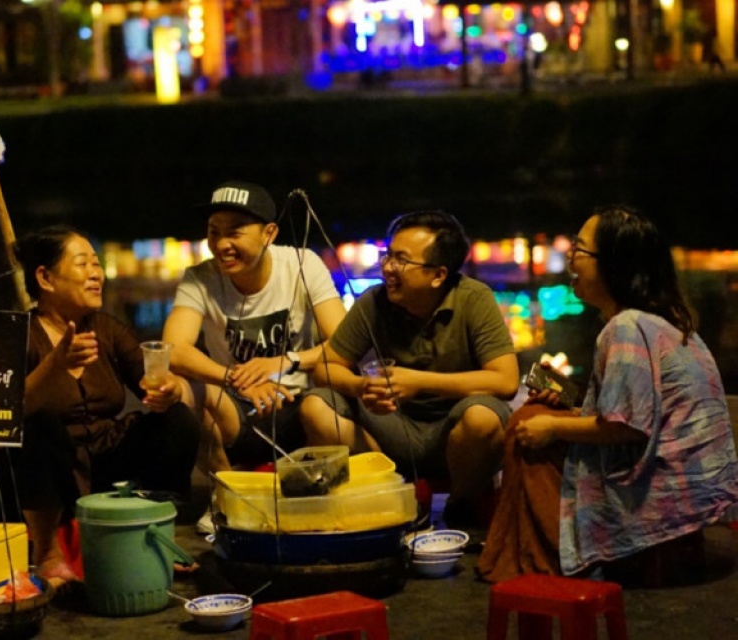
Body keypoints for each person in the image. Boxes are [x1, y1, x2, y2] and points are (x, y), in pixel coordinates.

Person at [476, 205, 738, 584]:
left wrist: (553, 427)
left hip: (660, 493)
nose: (570, 258)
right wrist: (570, 401)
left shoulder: (627, 327)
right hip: (692, 490)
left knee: (527, 424)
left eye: (580, 250)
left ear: (614, 264)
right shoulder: (667, 323)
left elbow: (626, 427)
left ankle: (549, 561)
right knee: (539, 415)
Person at [0, 225, 199, 589]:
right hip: (44, 473)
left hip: (102, 460)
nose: (96, 274)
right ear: (45, 278)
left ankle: (159, 533)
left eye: (96, 264)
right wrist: (56, 364)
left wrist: (171, 390)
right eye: (83, 264)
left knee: (176, 421)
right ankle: (48, 554)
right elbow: (1, 412)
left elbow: (161, 379)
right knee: (38, 423)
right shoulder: (17, 334)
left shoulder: (106, 329)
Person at [304, 210, 520, 528]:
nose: (388, 267)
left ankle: (462, 507)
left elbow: (505, 380)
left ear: (438, 275)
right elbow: (327, 368)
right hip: (391, 428)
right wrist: (362, 387)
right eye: (388, 256)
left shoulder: (474, 299)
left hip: (454, 434)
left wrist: (419, 382)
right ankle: (391, 494)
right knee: (315, 406)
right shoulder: (374, 302)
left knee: (482, 416)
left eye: (401, 260)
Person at [161, 180, 346, 525]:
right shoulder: (200, 277)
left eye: (235, 232)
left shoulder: (302, 265)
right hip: (237, 410)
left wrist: (286, 361)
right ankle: (226, 495)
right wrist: (235, 378)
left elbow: (346, 342)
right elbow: (173, 350)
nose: (222, 244)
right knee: (186, 390)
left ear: (269, 233)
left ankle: (318, 495)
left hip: (298, 405)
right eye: (214, 232)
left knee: (324, 401)